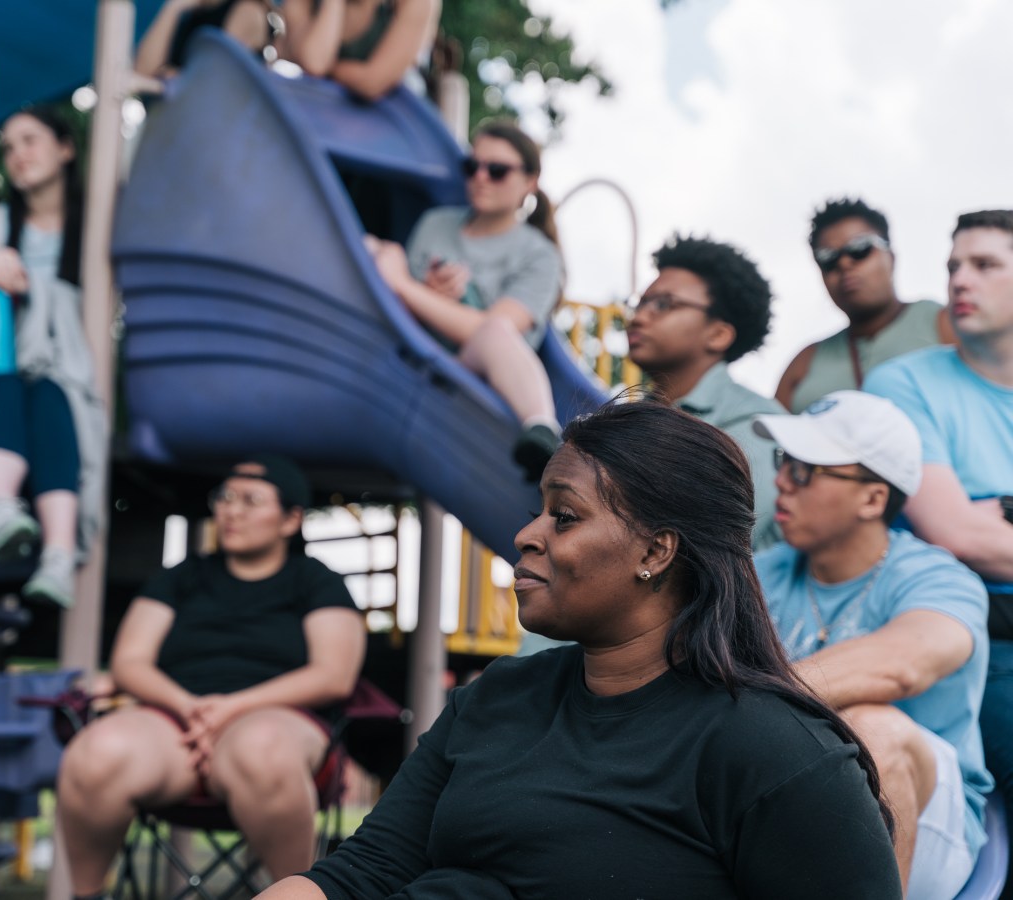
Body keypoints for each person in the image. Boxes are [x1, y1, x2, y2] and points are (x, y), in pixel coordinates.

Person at [258, 401, 902, 900]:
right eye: (539, 511)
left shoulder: (775, 752)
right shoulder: (493, 701)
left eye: (563, 516)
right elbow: (359, 877)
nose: (526, 535)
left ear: (656, 552)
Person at [56, 455, 366, 898]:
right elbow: (130, 661)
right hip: (176, 725)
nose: (232, 511)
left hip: (281, 722)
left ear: (290, 519)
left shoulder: (317, 582)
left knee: (263, 750)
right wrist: (190, 708)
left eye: (251, 501)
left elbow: (333, 675)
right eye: (225, 497)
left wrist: (231, 709)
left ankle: (297, 894)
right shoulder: (180, 577)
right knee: (96, 752)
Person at [753, 390, 991, 899]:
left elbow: (902, 665)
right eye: (784, 462)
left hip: (927, 826)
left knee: (871, 728)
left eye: (804, 470)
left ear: (873, 498)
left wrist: (738, 697)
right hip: (787, 795)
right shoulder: (758, 573)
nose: (780, 481)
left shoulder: (938, 577)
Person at [864, 209, 1013, 890]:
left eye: (984, 265)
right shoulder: (907, 383)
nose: (960, 279)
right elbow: (960, 535)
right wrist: (985, 523)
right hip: (974, 639)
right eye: (954, 264)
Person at [0, 106, 106, 610]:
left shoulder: (97, 222)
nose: (18, 156)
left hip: (65, 370)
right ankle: (3, 511)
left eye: (30, 141)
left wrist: (37, 288)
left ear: (65, 148)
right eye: (9, 147)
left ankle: (56, 554)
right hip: (0, 362)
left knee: (50, 394)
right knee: (6, 381)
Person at [369, 121, 564, 481]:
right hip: (415, 357)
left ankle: (542, 430)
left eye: (498, 171)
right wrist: (425, 287)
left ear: (529, 182)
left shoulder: (540, 255)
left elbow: (486, 328)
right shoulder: (436, 223)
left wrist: (406, 286)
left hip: (483, 380)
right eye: (472, 167)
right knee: (376, 247)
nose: (481, 178)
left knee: (496, 331)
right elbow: (401, 308)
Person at [626, 235, 784, 550]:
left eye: (663, 304)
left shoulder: (758, 425)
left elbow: (702, 546)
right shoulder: (630, 419)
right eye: (639, 303)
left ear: (718, 334)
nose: (638, 318)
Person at [776, 198, 952, 412]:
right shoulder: (804, 363)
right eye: (828, 259)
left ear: (892, 257)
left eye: (860, 249)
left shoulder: (943, 323)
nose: (844, 264)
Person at [279, 0, 440, 99]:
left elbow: (371, 83)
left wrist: (329, 70)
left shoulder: (416, 3)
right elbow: (315, 62)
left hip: (388, 118)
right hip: (311, 104)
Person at [134, 0, 281, 78]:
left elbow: (213, 84)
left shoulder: (248, 9)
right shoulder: (191, 11)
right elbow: (142, 73)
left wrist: (177, 77)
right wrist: (174, 6)